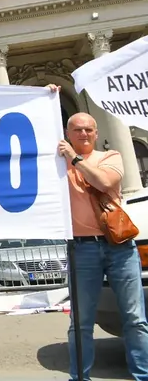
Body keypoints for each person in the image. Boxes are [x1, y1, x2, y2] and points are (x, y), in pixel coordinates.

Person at [46, 84, 148, 381]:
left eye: (89, 129)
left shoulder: (111, 156)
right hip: (82, 249)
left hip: (119, 247)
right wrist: (48, 99)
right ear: (68, 133)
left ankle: (143, 375)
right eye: (78, 130)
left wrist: (75, 160)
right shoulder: (56, 164)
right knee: (80, 321)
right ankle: (79, 378)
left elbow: (104, 183)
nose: (85, 134)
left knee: (135, 318)